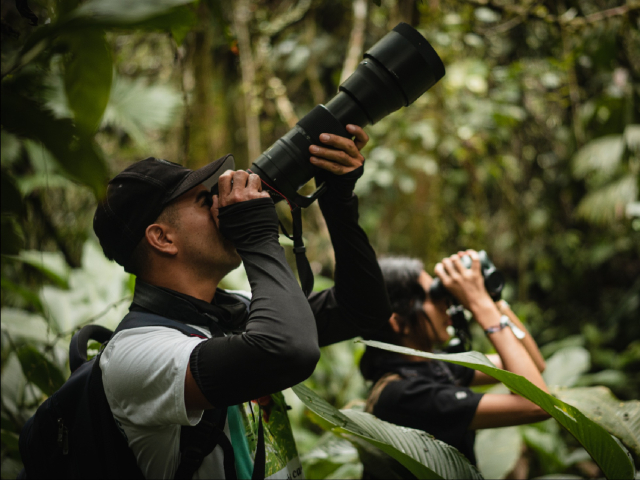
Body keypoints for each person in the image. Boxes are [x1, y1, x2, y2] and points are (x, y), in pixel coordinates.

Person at [92, 125, 391, 479]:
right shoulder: (137, 355)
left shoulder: (229, 311)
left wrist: (337, 200)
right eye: (206, 201)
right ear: (162, 238)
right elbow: (287, 350)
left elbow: (363, 310)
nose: (221, 207)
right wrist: (256, 234)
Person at [359, 251, 550, 470]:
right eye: (434, 296)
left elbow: (533, 364)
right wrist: (480, 305)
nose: (446, 305)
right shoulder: (403, 395)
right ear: (398, 321)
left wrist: (492, 300)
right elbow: (537, 403)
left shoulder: (430, 365)